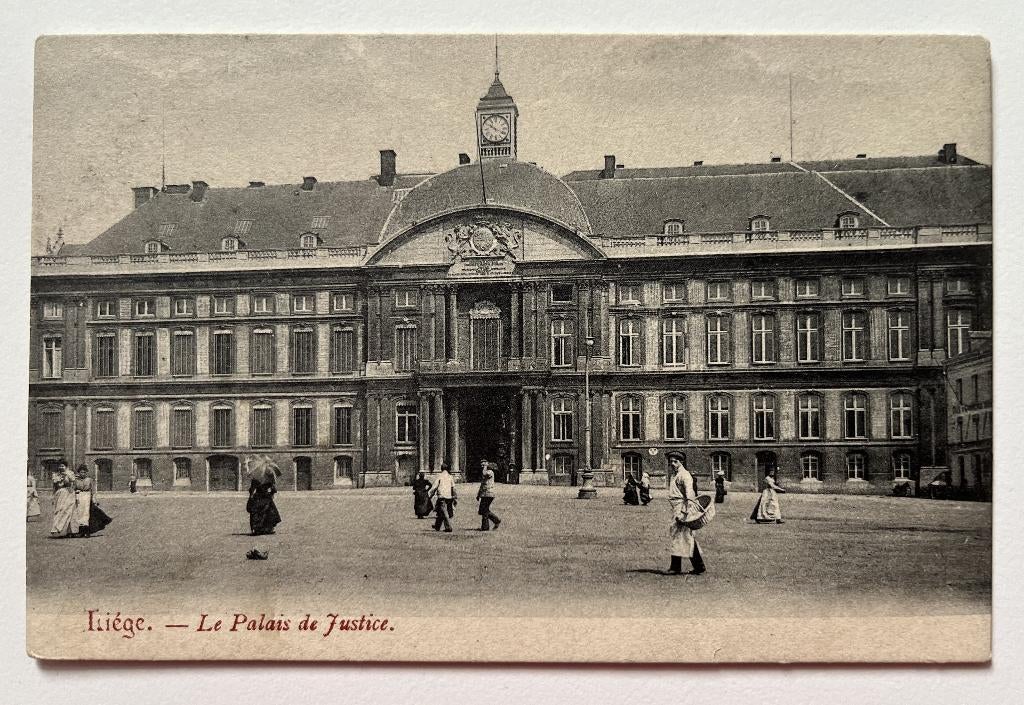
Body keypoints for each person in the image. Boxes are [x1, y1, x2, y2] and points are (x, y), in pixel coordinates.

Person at [666, 451, 706, 575]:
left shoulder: (685, 475)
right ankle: (697, 566)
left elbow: (690, 494)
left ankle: (676, 567)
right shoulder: (675, 475)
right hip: (677, 508)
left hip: (682, 509)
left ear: (681, 462)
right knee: (681, 537)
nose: (672, 464)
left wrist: (687, 512)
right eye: (671, 461)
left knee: (681, 536)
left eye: (675, 461)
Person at [245, 455, 282, 536]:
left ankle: (257, 529)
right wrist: (271, 494)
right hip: (266, 497)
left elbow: (252, 489)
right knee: (269, 513)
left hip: (258, 497)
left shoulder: (256, 477)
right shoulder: (270, 476)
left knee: (257, 513)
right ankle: (268, 529)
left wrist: (251, 496)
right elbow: (273, 489)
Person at [49, 460, 78, 538]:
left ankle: (72, 531)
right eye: (60, 466)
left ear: (66, 466)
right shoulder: (56, 475)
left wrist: (66, 476)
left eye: (63, 466)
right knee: (59, 510)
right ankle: (56, 528)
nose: (61, 467)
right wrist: (53, 496)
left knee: (70, 511)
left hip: (69, 493)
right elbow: (54, 487)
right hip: (59, 494)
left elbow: (74, 483)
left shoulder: (70, 473)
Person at [430, 464, 457, 533]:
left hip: (441, 496)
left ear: (441, 469)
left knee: (444, 512)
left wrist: (431, 494)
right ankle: (437, 526)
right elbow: (453, 487)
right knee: (440, 511)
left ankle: (448, 527)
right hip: (449, 496)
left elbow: (434, 487)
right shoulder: (450, 476)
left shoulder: (440, 476)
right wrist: (454, 496)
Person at [476, 460, 502, 531]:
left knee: (484, 510)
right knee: (483, 510)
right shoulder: (485, 473)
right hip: (484, 494)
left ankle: (486, 527)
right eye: (481, 465)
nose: (482, 467)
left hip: (489, 493)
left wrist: (485, 466)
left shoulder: (490, 472)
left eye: (483, 465)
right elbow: (482, 485)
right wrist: (478, 495)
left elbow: (484, 474)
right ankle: (495, 520)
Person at [73, 465, 94, 537]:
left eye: (84, 472)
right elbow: (74, 489)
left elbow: (93, 490)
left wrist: (94, 498)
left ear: (86, 473)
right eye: (81, 472)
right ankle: (81, 531)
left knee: (86, 512)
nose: (83, 474)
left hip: (87, 495)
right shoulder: (76, 480)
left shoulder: (89, 480)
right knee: (79, 512)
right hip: (79, 496)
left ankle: (87, 531)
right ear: (79, 473)